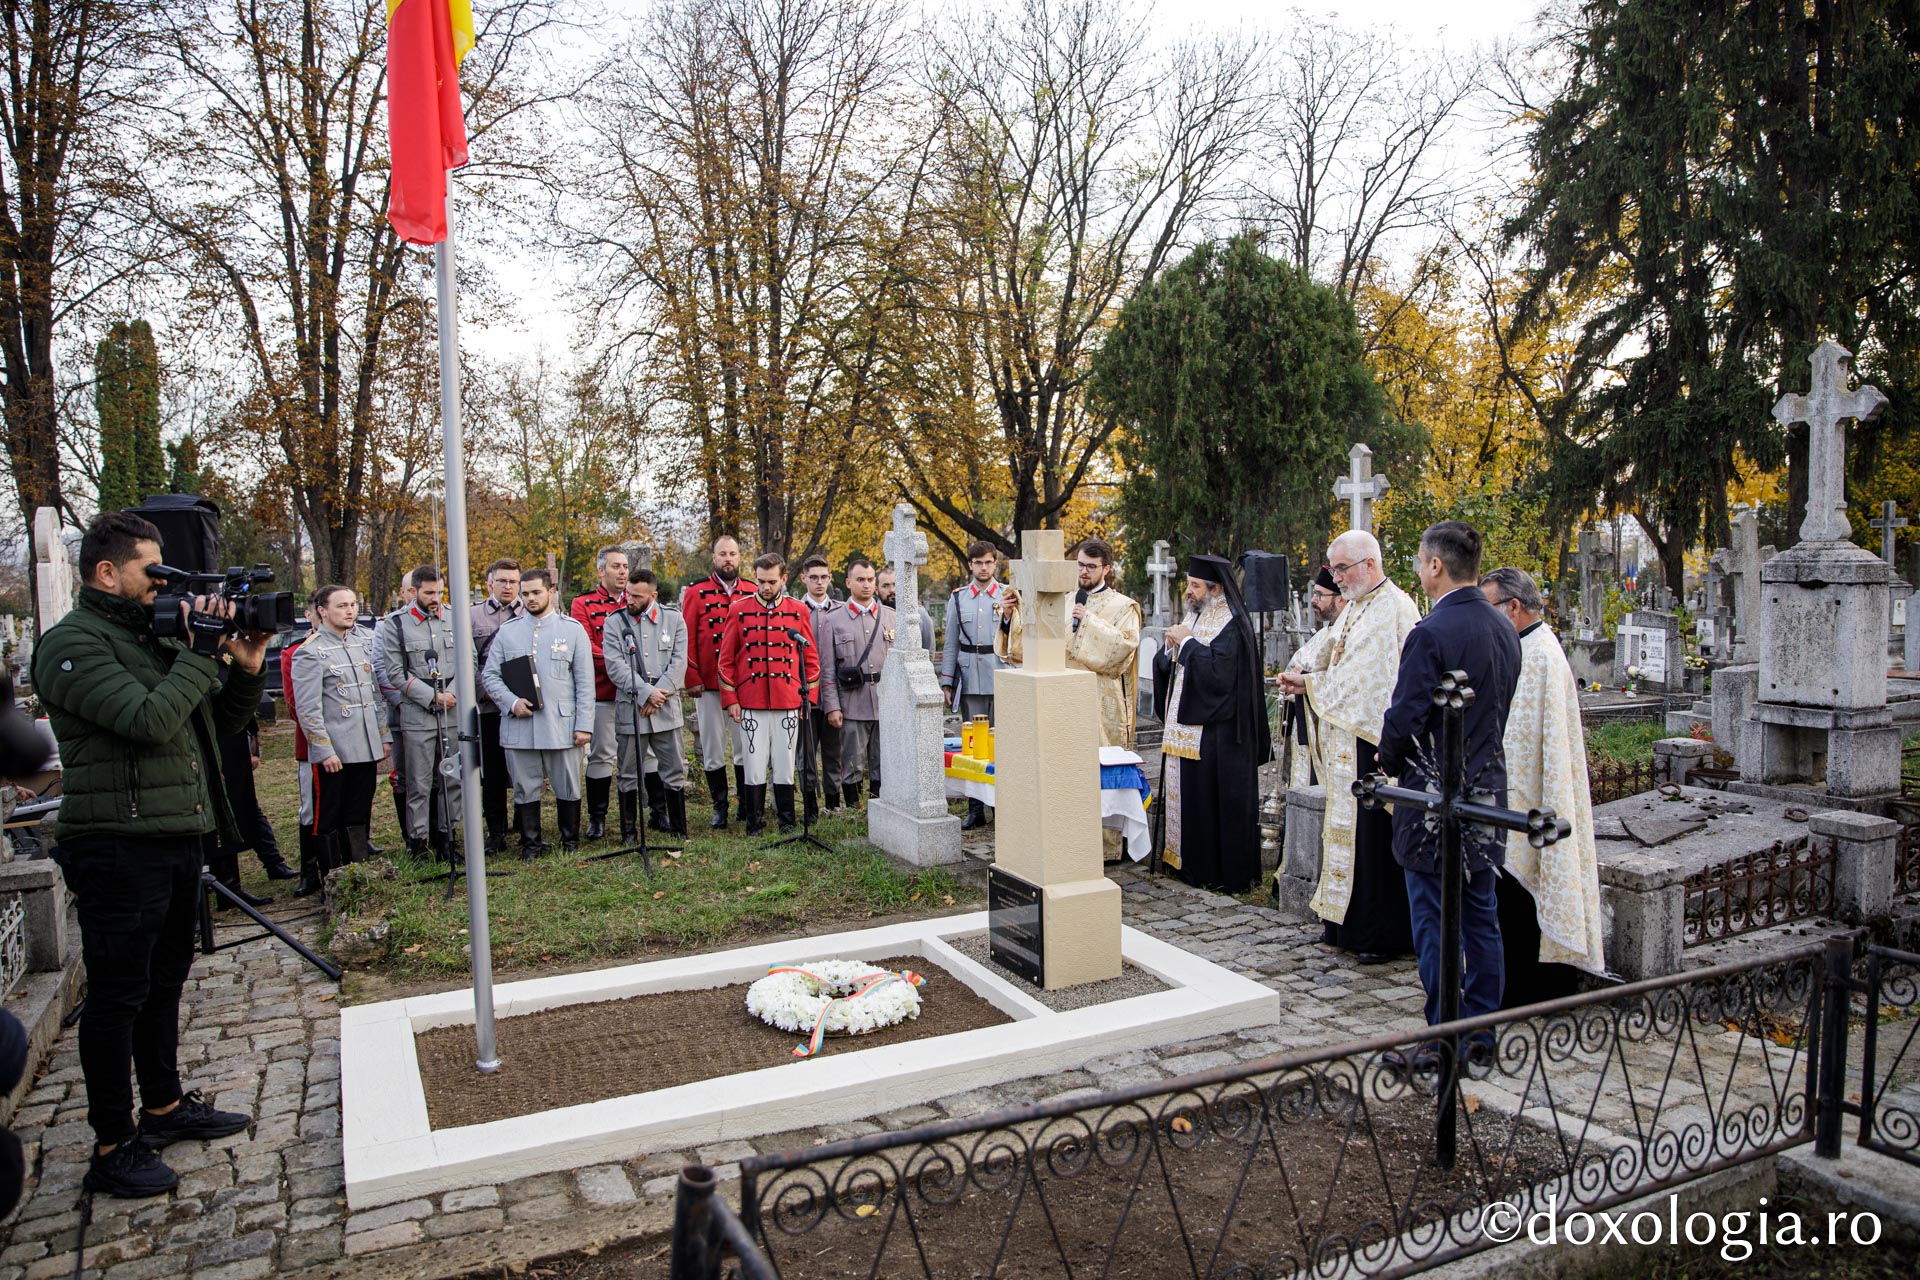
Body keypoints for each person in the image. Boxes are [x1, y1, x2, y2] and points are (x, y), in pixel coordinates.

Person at [32, 511, 261, 1198]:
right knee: (118, 996)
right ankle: (112, 1141)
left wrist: (242, 669)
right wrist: (200, 650)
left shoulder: (151, 638)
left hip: (171, 834)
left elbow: (208, 724)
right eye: (152, 569)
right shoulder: (72, 645)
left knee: (165, 982)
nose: (162, 582)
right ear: (108, 571)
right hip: (114, 844)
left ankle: (162, 1108)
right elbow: (148, 722)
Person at [1378, 522, 1520, 1051]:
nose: (1418, 569)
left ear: (1435, 565)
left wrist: (1387, 761)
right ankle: (1480, 1031)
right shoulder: (1505, 627)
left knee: (1435, 917)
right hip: (1486, 790)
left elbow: (1406, 716)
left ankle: (1443, 1035)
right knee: (1481, 913)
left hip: (1435, 795)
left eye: (1419, 560)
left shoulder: (1431, 632)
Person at [1276, 531, 1420, 963]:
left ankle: (1380, 934)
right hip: (1347, 737)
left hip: (1373, 743)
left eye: (1342, 569)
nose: (1335, 578)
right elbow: (1326, 648)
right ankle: (1344, 925)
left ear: (1370, 564)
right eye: (1333, 569)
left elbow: (1366, 682)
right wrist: (1298, 669)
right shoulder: (1357, 607)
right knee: (1346, 834)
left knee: (1372, 839)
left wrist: (1311, 683)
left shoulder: (1394, 608)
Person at [1480, 566, 1606, 1005]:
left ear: (1513, 608)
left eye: (1489, 606)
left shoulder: (1537, 655)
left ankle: (1525, 991)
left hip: (1527, 797)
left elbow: (1517, 736)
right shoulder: (1526, 646)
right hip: (1519, 794)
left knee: (1520, 896)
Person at [1153, 554, 1270, 892]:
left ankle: (1217, 873)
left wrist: (1187, 644)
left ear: (1216, 589)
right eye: (1188, 584)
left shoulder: (1233, 623)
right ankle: (1187, 863)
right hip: (1189, 732)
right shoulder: (1197, 615)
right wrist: (1168, 651)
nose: (1188, 592)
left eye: (1195, 586)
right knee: (1193, 802)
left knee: (1214, 804)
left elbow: (1220, 676)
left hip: (1220, 735)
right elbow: (1177, 667)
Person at [482, 569, 597, 855]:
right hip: (521, 725)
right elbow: (490, 676)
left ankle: (569, 841)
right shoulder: (508, 632)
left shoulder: (571, 630)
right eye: (526, 594)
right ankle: (530, 843)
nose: (530, 598)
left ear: (550, 592)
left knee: (568, 786)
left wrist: (584, 725)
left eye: (536, 592)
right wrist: (511, 702)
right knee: (525, 786)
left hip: (561, 725)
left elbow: (584, 681)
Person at [997, 537, 1143, 748]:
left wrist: (1088, 621)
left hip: (1098, 701)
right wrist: (1010, 616)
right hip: (1061, 699)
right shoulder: (1062, 601)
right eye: (1081, 565)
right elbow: (1036, 647)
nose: (1084, 571)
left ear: (1106, 569)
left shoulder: (1124, 606)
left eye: (1092, 566)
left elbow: (1123, 652)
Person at [292, 585, 389, 893]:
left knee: (359, 810)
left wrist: (382, 735)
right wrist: (323, 750)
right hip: (335, 751)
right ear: (322, 610)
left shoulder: (365, 642)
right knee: (329, 815)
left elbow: (375, 694)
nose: (350, 610)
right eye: (342, 606)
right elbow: (308, 709)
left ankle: (357, 873)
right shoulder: (310, 651)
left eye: (353, 604)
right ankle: (332, 879)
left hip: (365, 745)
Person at [718, 553, 820, 835]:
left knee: (785, 763)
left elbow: (810, 659)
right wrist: (731, 700)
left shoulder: (798, 610)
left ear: (784, 579)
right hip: (752, 701)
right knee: (753, 762)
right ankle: (754, 823)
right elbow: (726, 660)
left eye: (772, 581)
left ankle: (787, 822)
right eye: (760, 581)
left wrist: (807, 700)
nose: (765, 587)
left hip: (787, 700)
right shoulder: (739, 610)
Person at [377, 566, 461, 859]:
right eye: (428, 593)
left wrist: (453, 694)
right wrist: (432, 697)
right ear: (414, 592)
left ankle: (448, 839)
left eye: (439, 591)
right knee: (420, 782)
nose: (435, 598)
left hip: (452, 710)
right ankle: (418, 842)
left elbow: (469, 661)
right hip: (418, 713)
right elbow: (395, 673)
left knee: (451, 779)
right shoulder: (396, 624)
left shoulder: (454, 617)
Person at [603, 569, 690, 840]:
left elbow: (679, 662)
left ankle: (678, 828)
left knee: (674, 768)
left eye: (637, 596)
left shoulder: (673, 619)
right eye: (628, 593)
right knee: (628, 771)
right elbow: (615, 665)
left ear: (653, 595)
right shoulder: (614, 623)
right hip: (632, 706)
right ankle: (629, 831)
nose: (629, 599)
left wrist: (658, 694)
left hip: (665, 708)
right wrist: (645, 693)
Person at [680, 534, 752, 827]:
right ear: (714, 557)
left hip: (743, 686)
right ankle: (719, 807)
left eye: (732, 554)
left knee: (745, 746)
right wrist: (692, 676)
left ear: (739, 557)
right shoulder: (696, 592)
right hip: (708, 683)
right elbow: (686, 636)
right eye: (722, 554)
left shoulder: (751, 589)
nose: (728, 559)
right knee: (712, 747)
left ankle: (746, 805)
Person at [940, 540, 1005, 830]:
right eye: (978, 562)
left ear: (995, 564)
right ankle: (975, 809)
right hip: (970, 679)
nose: (983, 567)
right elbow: (951, 642)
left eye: (988, 562)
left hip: (1001, 675)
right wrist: (947, 682)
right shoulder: (958, 598)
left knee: (1001, 744)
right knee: (973, 745)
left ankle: (1002, 806)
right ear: (970, 565)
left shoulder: (1006, 596)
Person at [817, 557, 892, 806]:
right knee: (852, 760)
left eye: (871, 580)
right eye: (860, 580)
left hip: (886, 701)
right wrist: (833, 706)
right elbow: (827, 669)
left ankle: (880, 806)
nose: (866, 585)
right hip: (852, 701)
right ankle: (853, 808)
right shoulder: (833, 620)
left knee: (882, 759)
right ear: (849, 582)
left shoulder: (891, 617)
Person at [571, 545, 630, 840]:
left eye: (625, 567)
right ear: (600, 571)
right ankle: (598, 817)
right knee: (602, 754)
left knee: (641, 754)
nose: (622, 571)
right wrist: (623, 664)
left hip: (634, 694)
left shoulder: (636, 600)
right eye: (615, 566)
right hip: (603, 691)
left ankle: (652, 812)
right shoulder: (583, 604)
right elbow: (586, 648)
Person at [470, 558, 523, 853]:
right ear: (490, 582)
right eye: (502, 581)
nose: (508, 586)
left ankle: (524, 823)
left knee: (523, 769)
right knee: (491, 772)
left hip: (524, 706)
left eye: (513, 581)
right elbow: (468, 661)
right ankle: (496, 831)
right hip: (489, 707)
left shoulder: (531, 611)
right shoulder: (473, 616)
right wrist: (494, 693)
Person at [1282, 566, 1345, 788]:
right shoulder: (1323, 633)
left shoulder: (1344, 634)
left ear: (1341, 600)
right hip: (1306, 730)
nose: (1314, 601)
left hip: (1328, 737)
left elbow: (1341, 680)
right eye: (1314, 594)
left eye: (1320, 595)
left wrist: (1306, 678)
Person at [793, 554, 843, 822]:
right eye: (814, 578)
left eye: (824, 577)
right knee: (807, 753)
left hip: (835, 695)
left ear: (830, 577)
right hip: (805, 696)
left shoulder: (840, 610)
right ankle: (810, 804)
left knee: (834, 752)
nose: (819, 582)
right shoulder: (794, 610)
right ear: (804, 579)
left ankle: (834, 802)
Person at [371, 569, 418, 839]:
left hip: (439, 712)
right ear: (403, 593)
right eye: (410, 590)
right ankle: (410, 834)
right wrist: (409, 702)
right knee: (404, 775)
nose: (414, 595)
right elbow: (383, 670)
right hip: (403, 712)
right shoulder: (388, 625)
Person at [282, 604, 325, 894]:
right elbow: (295, 703)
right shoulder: (296, 651)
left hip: (352, 741)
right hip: (313, 744)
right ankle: (310, 870)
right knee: (312, 807)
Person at [878, 567, 934, 650]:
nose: (892, 590)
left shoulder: (919, 614)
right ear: (876, 589)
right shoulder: (870, 616)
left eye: (895, 584)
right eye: (885, 586)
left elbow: (928, 651)